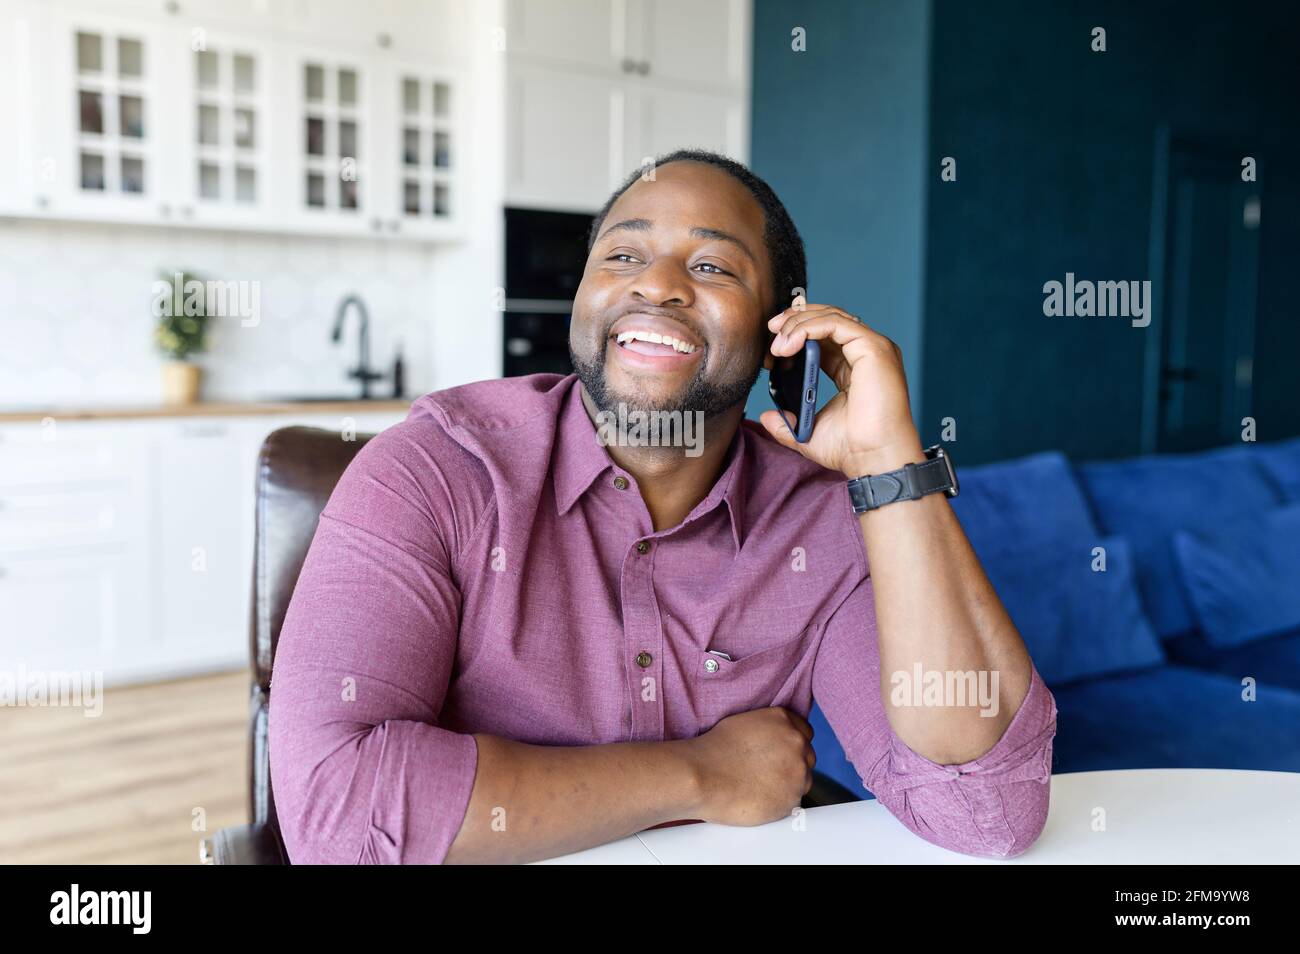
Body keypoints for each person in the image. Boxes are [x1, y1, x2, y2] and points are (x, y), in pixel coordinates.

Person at [269, 149, 1057, 864]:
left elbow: (984, 812)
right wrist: (701, 774)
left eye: (713, 266)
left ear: (782, 327)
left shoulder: (820, 518)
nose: (657, 284)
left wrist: (892, 464)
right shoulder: (436, 472)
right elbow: (337, 820)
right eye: (622, 256)